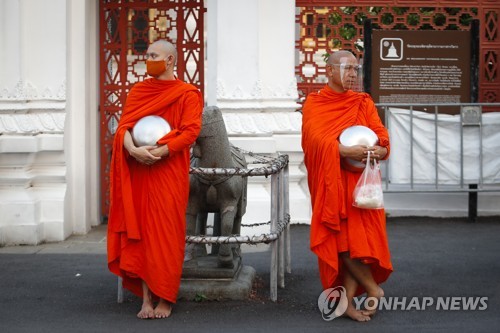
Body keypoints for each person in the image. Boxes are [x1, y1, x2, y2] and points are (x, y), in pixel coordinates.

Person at [107, 40, 203, 319]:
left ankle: (166, 297)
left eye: (153, 55)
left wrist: (160, 151)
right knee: (142, 233)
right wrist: (133, 150)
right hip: (139, 169)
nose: (147, 59)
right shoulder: (139, 91)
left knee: (165, 233)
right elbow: (124, 126)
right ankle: (146, 299)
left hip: (168, 172)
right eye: (147, 55)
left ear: (170, 59)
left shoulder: (187, 94)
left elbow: (190, 131)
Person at [301, 50, 393, 322]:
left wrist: (381, 151)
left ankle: (348, 301)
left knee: (357, 243)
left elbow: (381, 135)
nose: (353, 75)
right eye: (347, 68)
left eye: (356, 69)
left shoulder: (362, 102)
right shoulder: (315, 103)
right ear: (329, 71)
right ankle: (373, 291)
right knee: (341, 242)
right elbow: (314, 141)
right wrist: (342, 151)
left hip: (361, 185)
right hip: (333, 182)